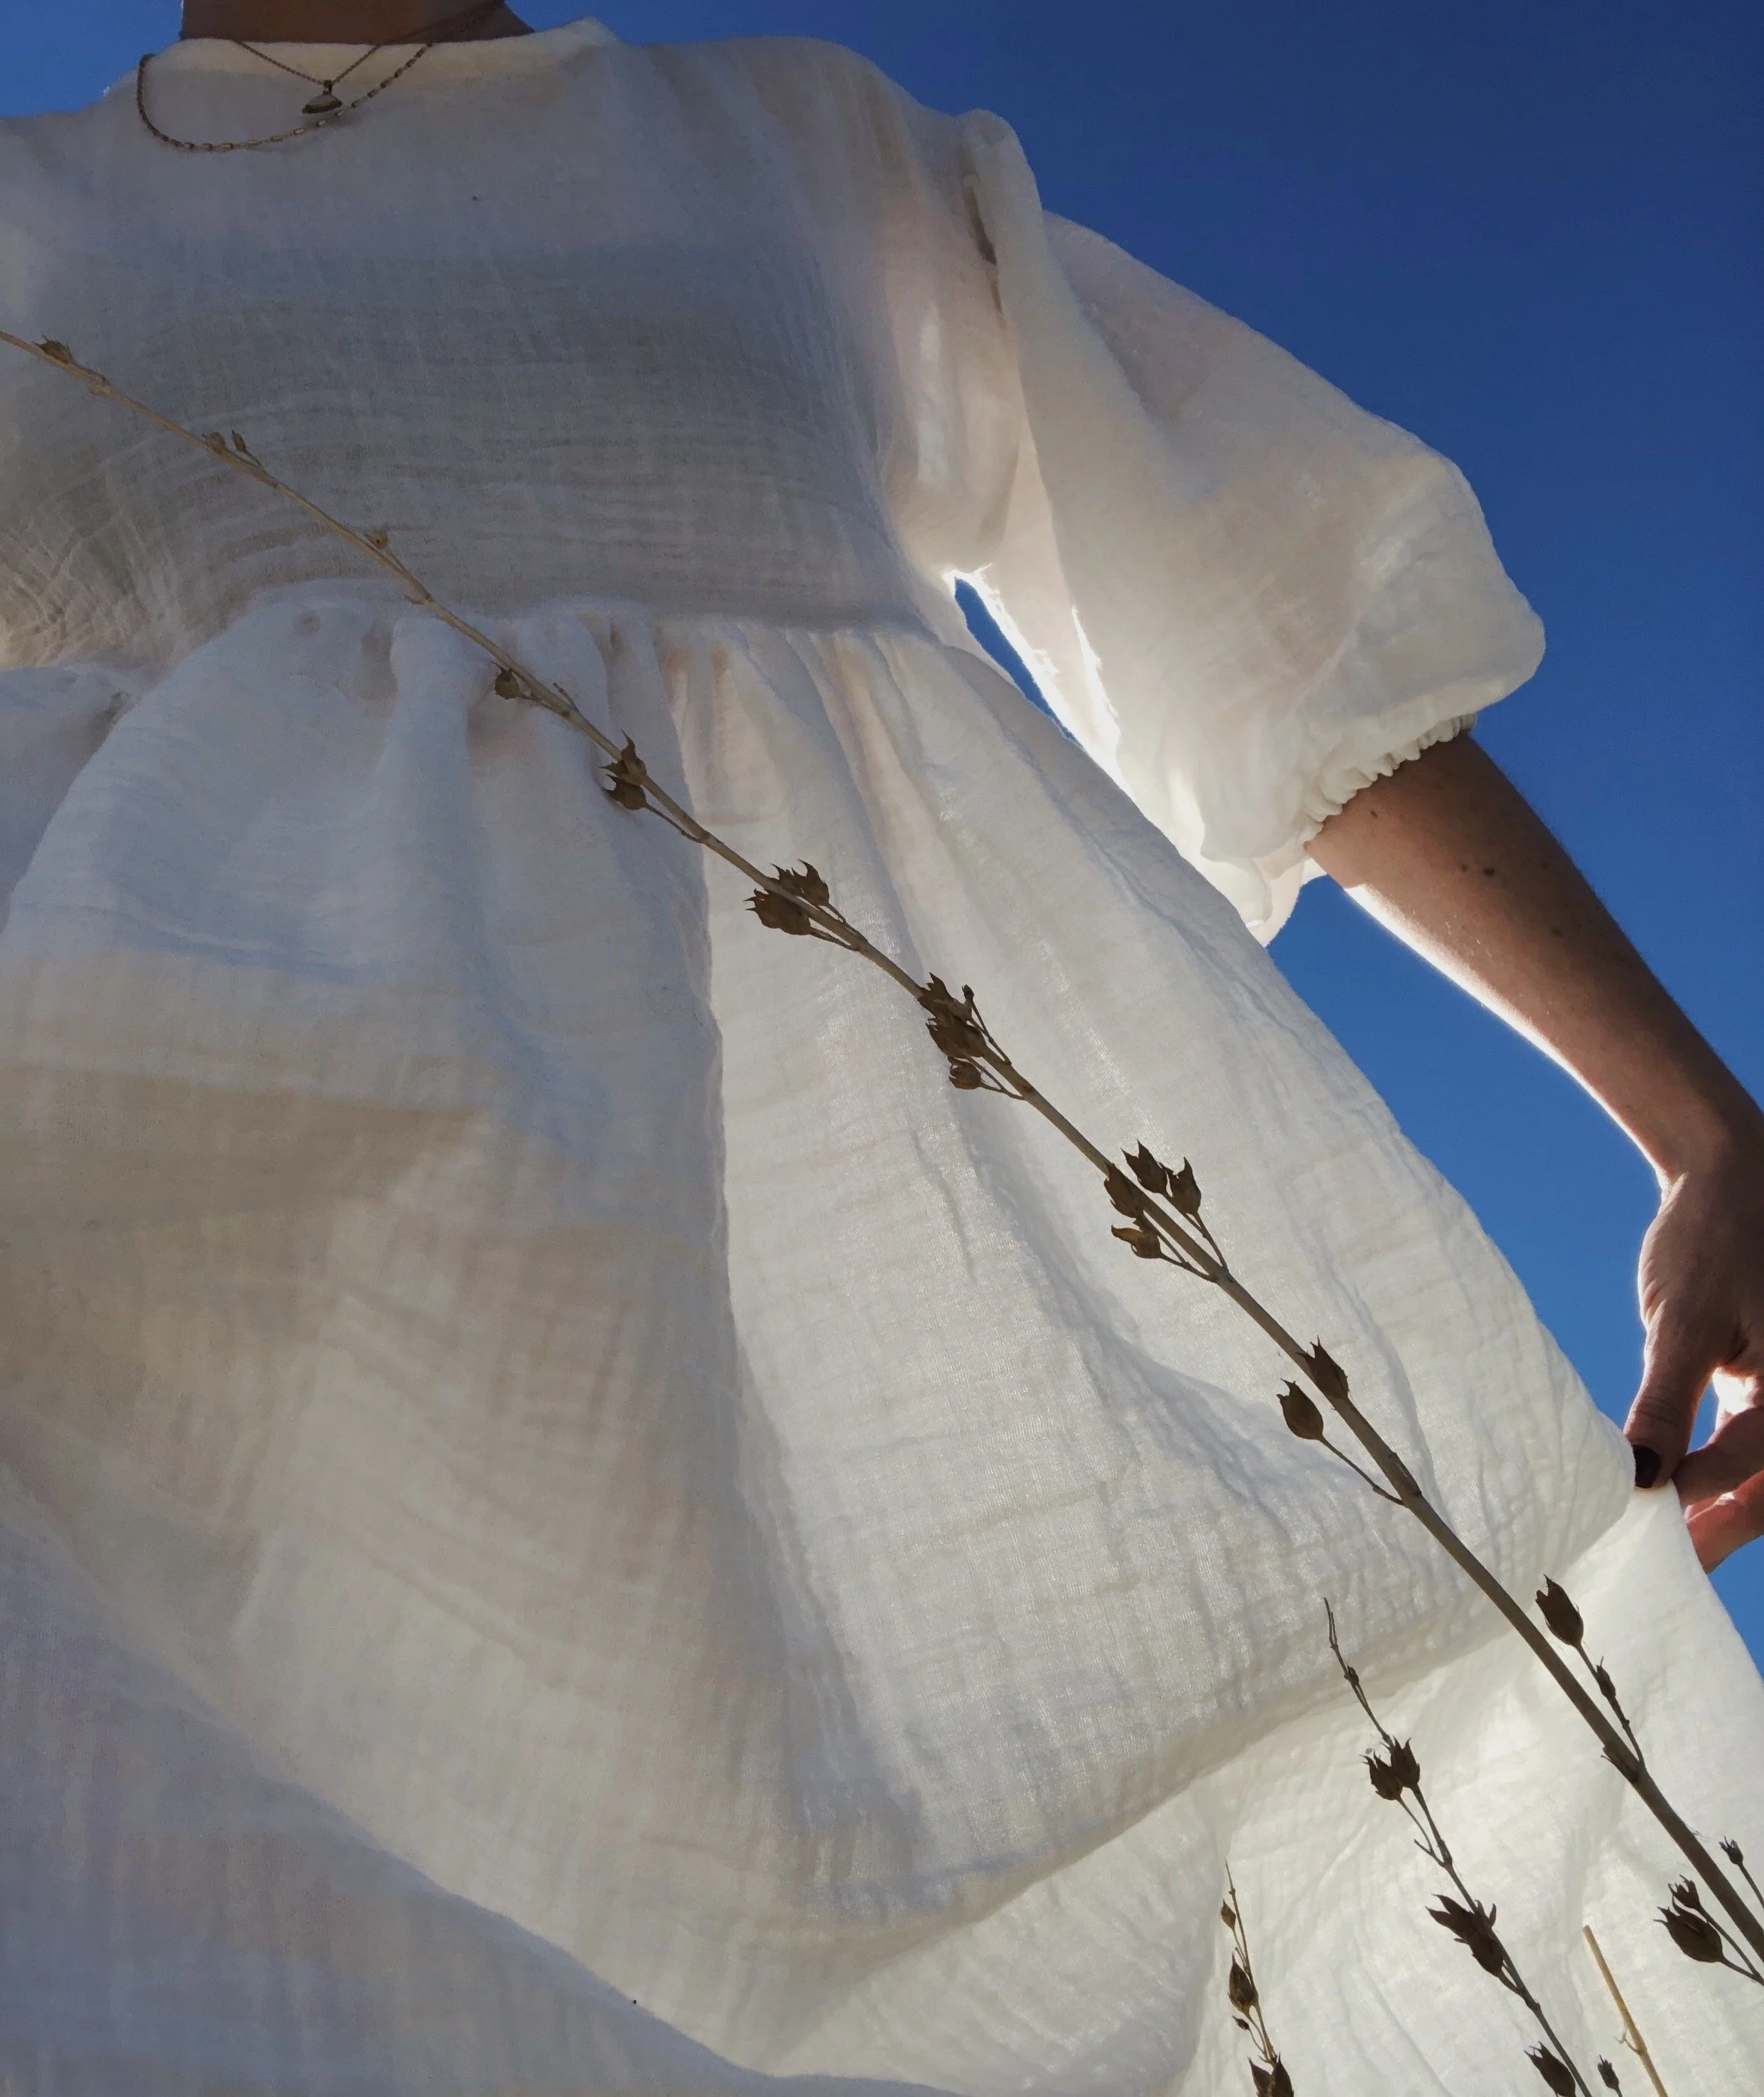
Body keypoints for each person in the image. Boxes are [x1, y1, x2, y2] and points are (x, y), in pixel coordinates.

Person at [0, 4, 1756, 2091]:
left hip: (868, 1321)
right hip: (161, 1276)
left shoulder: (797, 146)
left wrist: (1699, 1123)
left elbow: (1257, 612)